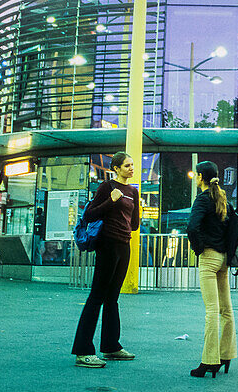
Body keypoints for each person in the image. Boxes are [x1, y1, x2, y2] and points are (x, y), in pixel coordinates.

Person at [71, 152, 140, 368]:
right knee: (97, 296)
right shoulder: (106, 187)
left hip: (124, 245)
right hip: (107, 245)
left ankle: (111, 346)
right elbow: (89, 215)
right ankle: (83, 351)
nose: (131, 168)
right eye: (127, 165)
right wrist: (111, 201)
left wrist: (136, 208)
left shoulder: (133, 191)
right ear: (116, 168)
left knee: (112, 298)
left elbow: (135, 224)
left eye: (132, 165)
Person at [187, 161, 237, 378]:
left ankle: (209, 360)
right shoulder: (223, 198)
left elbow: (192, 226)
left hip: (209, 258)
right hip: (224, 259)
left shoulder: (202, 199)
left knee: (211, 311)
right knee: (226, 309)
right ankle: (226, 355)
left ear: (200, 177)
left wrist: (199, 249)